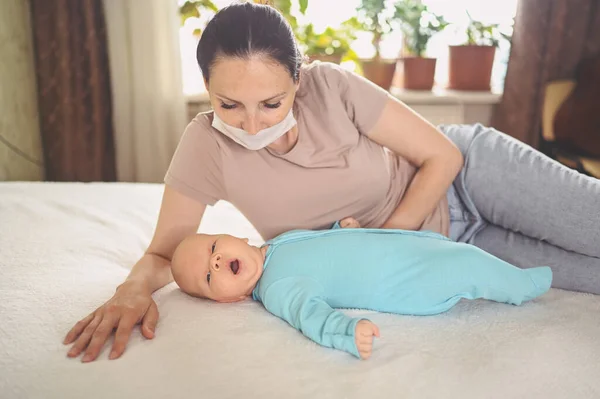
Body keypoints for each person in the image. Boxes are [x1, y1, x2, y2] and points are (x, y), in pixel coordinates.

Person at [63, 2, 600, 363]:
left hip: (472, 179)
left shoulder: (333, 87)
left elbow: (441, 156)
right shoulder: (205, 146)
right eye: (229, 104)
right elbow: (164, 253)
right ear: (207, 89)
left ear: (297, 80)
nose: (252, 124)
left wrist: (387, 244)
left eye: (271, 103)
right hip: (451, 247)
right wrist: (130, 290)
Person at [168, 219, 552, 360]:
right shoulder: (276, 287)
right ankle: (521, 285)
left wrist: (341, 230)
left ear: (233, 235)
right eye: (207, 276)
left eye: (214, 248)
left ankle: (509, 272)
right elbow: (310, 315)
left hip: (403, 248)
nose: (215, 262)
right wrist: (347, 332)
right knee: (466, 265)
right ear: (228, 299)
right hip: (405, 283)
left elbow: (322, 250)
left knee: (449, 249)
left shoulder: (279, 243)